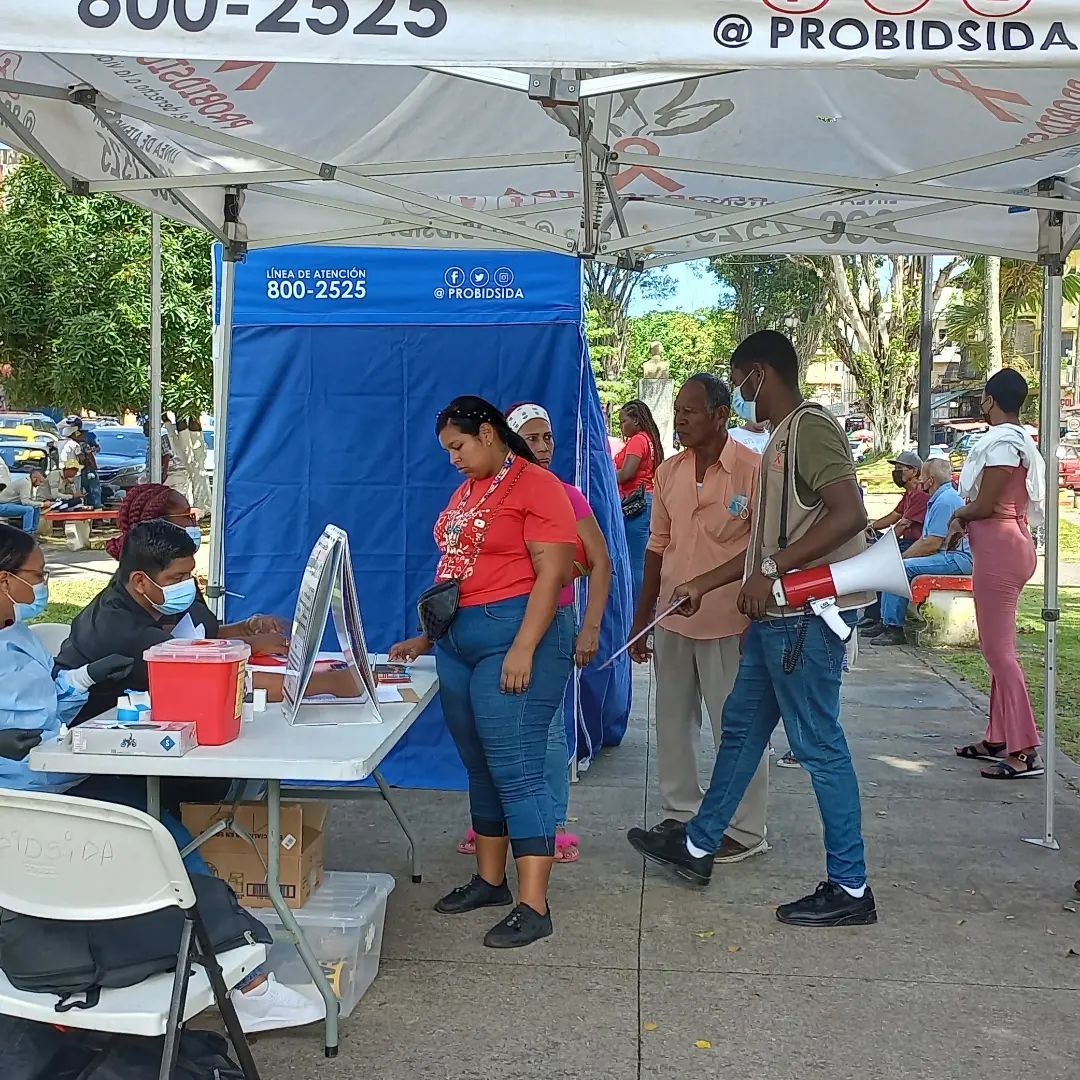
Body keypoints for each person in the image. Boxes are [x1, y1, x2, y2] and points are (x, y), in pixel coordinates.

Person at [0, 524, 322, 1033]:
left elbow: (49, 702)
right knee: (161, 851)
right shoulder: (112, 622)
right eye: (37, 577)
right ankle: (248, 980)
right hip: (25, 796)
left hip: (67, 770)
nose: (45, 588)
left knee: (172, 848)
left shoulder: (15, 632)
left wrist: (83, 680)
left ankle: (241, 967)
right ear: (3, 581)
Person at [628, 330, 877, 928]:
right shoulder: (779, 438)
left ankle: (850, 886)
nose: (741, 394)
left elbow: (850, 512)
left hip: (803, 620)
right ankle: (697, 845)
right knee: (739, 732)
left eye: (740, 382)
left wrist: (771, 569)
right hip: (776, 620)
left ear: (758, 375)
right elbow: (771, 540)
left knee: (819, 744)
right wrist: (718, 582)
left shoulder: (808, 427)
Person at [389, 396, 576, 949]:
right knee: (479, 764)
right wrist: (428, 636)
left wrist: (524, 646)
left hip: (515, 634)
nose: (454, 458)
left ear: (489, 433)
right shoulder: (468, 490)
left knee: (515, 765)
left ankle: (534, 903)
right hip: (459, 639)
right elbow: (456, 571)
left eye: (460, 446)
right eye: (448, 450)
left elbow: (555, 571)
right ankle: (491, 880)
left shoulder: (537, 486)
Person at [454, 403, 612, 865]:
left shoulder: (563, 495)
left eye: (548, 438)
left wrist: (590, 627)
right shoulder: (480, 495)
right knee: (496, 741)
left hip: (547, 630)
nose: (542, 448)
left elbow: (598, 562)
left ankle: (552, 824)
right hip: (501, 628)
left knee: (544, 734)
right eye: (532, 438)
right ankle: (499, 831)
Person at [628, 374, 769, 863]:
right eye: (678, 411)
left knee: (736, 727)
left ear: (722, 414)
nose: (680, 418)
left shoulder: (754, 470)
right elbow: (656, 546)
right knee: (672, 722)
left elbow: (764, 551)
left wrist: (758, 620)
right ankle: (683, 815)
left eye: (691, 410)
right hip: (670, 618)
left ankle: (746, 829)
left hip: (730, 622)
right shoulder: (667, 473)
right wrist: (640, 617)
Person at [58, 513, 358, 724]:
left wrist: (247, 630)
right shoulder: (119, 627)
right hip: (99, 735)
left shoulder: (156, 594)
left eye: (189, 573)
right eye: (178, 576)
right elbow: (214, 681)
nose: (188, 583)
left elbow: (200, 639)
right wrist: (328, 684)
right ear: (140, 581)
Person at [948, 370, 1044, 781]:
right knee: (995, 647)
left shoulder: (1003, 442)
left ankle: (1024, 748)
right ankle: (999, 735)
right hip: (1007, 544)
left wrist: (958, 513)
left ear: (989, 401)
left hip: (999, 547)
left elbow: (986, 504)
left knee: (999, 653)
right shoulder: (1018, 439)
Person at [868, 459, 972, 647]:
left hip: (957, 559)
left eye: (922, 476)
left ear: (931, 480)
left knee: (898, 568)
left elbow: (931, 543)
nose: (919, 481)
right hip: (948, 555)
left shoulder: (945, 500)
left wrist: (903, 558)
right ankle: (884, 622)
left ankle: (893, 628)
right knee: (895, 564)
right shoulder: (941, 497)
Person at [857, 450, 928, 631]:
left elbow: (903, 525)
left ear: (914, 471)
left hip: (914, 544)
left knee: (882, 564)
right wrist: (870, 528)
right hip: (906, 541)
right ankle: (874, 615)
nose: (896, 472)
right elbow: (893, 517)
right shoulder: (909, 494)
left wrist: (883, 544)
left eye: (900, 468)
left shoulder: (919, 495)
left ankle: (883, 620)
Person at [614, 400, 665, 604]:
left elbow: (627, 473)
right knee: (642, 560)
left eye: (623, 421)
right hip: (647, 501)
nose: (621, 426)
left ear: (635, 420)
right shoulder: (649, 439)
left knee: (635, 562)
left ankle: (636, 609)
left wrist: (604, 475)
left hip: (636, 504)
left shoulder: (637, 440)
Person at [0, 457, 40, 534]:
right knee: (28, 509)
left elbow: (28, 500)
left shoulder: (28, 483)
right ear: (35, 478)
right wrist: (42, 504)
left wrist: (39, 504)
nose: (40, 485)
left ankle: (34, 531)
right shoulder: (25, 483)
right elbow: (25, 502)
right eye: (40, 482)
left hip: (9, 503)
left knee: (36, 507)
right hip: (2, 505)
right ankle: (27, 533)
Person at [81, 431, 102, 509]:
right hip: (83, 469)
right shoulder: (75, 443)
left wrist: (92, 450)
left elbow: (98, 448)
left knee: (94, 489)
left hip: (89, 468)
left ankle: (96, 506)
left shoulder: (89, 438)